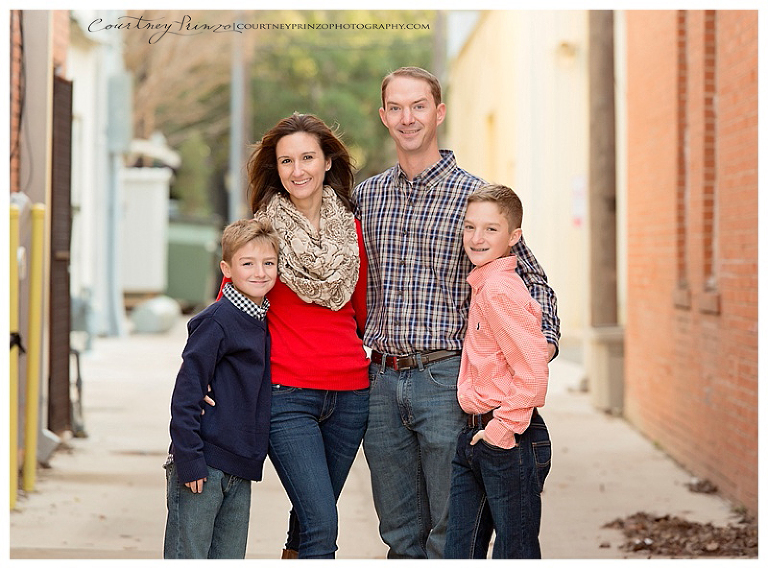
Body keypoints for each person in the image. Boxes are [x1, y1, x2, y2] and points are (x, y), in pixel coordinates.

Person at [352, 66, 560, 558]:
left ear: (439, 112)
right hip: (380, 383)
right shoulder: (366, 196)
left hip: (447, 380)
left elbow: (533, 279)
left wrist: (541, 345)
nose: (408, 118)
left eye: (419, 106)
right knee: (400, 536)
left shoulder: (476, 199)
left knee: (453, 537)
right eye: (397, 108)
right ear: (384, 116)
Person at [216, 113, 369, 559]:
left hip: (350, 395)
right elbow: (228, 315)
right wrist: (207, 379)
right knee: (323, 524)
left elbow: (359, 313)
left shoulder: (352, 231)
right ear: (276, 169)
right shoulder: (261, 237)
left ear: (326, 162)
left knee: (307, 522)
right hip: (286, 396)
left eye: (307, 157)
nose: (297, 170)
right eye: (286, 161)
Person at [444, 184, 551, 559]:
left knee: (515, 552)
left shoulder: (499, 290)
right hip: (475, 435)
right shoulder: (484, 285)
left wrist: (501, 430)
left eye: (491, 229)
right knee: (459, 551)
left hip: (508, 438)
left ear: (513, 237)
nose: (477, 238)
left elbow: (534, 370)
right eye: (470, 227)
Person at [163, 218, 279, 559]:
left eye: (268, 263)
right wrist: (189, 459)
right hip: (203, 464)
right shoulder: (217, 321)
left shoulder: (261, 320)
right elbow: (186, 393)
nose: (260, 272)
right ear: (226, 268)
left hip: (239, 468)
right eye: (248, 263)